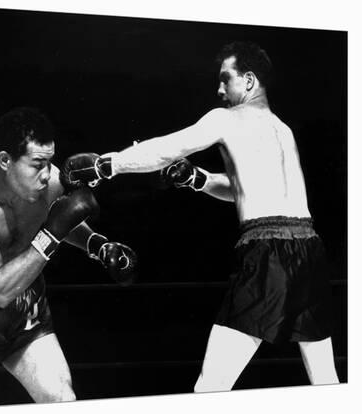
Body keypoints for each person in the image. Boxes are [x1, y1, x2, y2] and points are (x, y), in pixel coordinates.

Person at [60, 41, 339, 392]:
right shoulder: (283, 130)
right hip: (309, 252)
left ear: (249, 80)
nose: (218, 89)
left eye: (226, 79)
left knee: (210, 388)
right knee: (326, 382)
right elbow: (245, 188)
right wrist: (198, 180)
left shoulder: (227, 118)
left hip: (268, 254)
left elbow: (166, 149)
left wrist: (107, 165)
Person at [0, 107, 137, 409]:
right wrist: (52, 233)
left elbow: (62, 217)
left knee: (61, 399)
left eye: (50, 162)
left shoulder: (45, 184)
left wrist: (97, 245)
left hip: (24, 302)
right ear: (5, 160)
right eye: (37, 164)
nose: (48, 174)